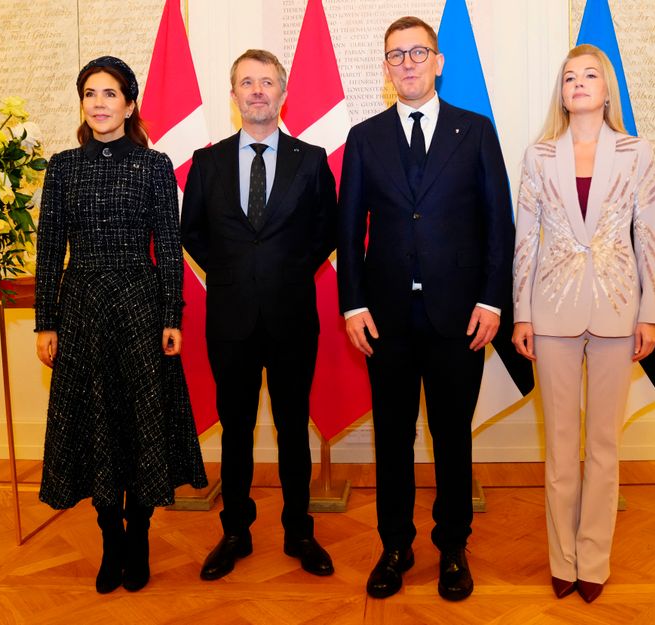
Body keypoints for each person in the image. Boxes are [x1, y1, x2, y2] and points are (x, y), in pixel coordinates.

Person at [337, 16, 514, 602]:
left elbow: (499, 225)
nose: (408, 62)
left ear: (439, 62)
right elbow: (348, 230)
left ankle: (453, 546)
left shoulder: (476, 131)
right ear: (385, 69)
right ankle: (395, 545)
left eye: (418, 52)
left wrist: (492, 299)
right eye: (396, 55)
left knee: (451, 436)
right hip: (384, 320)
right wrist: (352, 305)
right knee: (392, 437)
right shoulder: (364, 138)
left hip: (458, 317)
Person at [34, 56, 207, 595]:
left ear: (130, 105)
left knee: (139, 425)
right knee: (97, 424)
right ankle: (110, 540)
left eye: (111, 93)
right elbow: (48, 251)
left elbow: (171, 246)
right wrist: (46, 320)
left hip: (139, 301)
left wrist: (170, 315)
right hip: (81, 306)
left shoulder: (154, 165)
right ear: (82, 104)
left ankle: (140, 538)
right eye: (90, 93)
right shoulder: (62, 167)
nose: (100, 103)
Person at [511, 44, 655, 603]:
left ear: (606, 89)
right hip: (550, 312)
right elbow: (525, 239)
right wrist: (521, 311)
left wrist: (651, 311)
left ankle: (594, 557)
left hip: (619, 311)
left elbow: (646, 235)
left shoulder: (636, 152)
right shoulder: (538, 155)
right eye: (569, 76)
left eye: (589, 74)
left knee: (602, 444)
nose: (578, 83)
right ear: (562, 91)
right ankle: (562, 557)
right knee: (559, 444)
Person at [180, 49, 337, 581]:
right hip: (230, 319)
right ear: (234, 95)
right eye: (246, 83)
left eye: (266, 82)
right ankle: (235, 531)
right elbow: (192, 232)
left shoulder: (311, 160)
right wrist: (233, 272)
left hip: (293, 315)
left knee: (294, 429)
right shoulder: (208, 162)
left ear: (283, 92)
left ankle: (299, 530)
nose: (257, 91)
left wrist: (285, 270)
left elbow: (326, 230)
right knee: (237, 430)